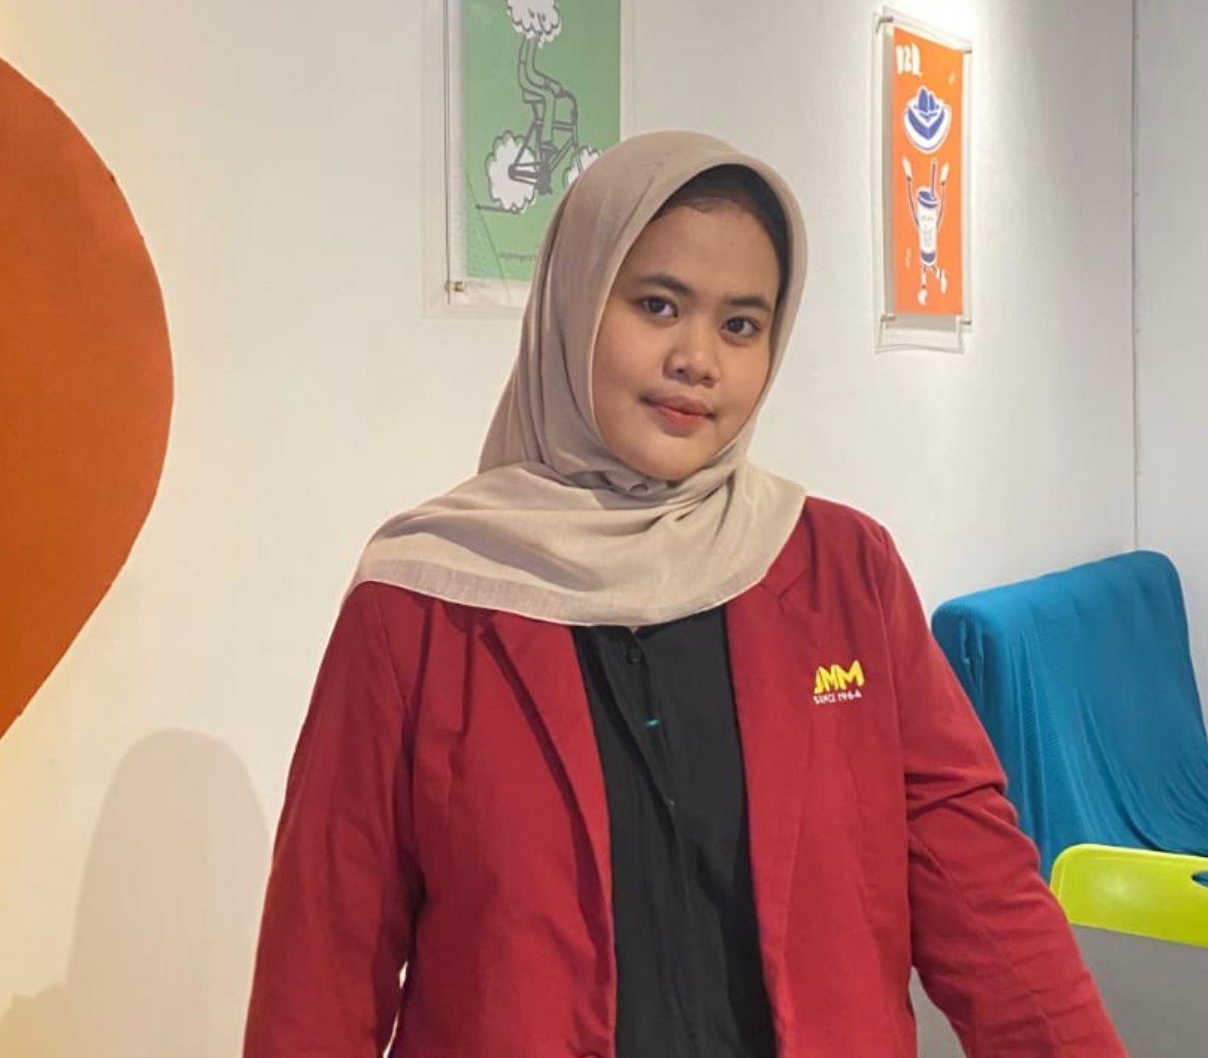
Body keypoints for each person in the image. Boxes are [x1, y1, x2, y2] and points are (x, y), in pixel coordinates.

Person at [242, 131, 1127, 1058]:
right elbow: (323, 963)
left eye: (741, 324)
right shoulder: (422, 602)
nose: (698, 358)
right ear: (575, 305)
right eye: (658, 305)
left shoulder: (842, 570)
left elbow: (980, 887)